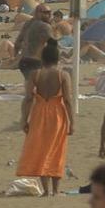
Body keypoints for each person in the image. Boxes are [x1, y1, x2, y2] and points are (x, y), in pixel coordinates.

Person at [17, 39, 73, 195]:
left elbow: (28, 98)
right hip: (57, 114)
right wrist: (71, 122)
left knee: (42, 149)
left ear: (42, 59)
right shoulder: (63, 75)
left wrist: (24, 119)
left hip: (39, 113)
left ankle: (45, 190)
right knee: (56, 150)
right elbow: (67, 100)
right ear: (58, 58)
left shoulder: (35, 74)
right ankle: (56, 190)